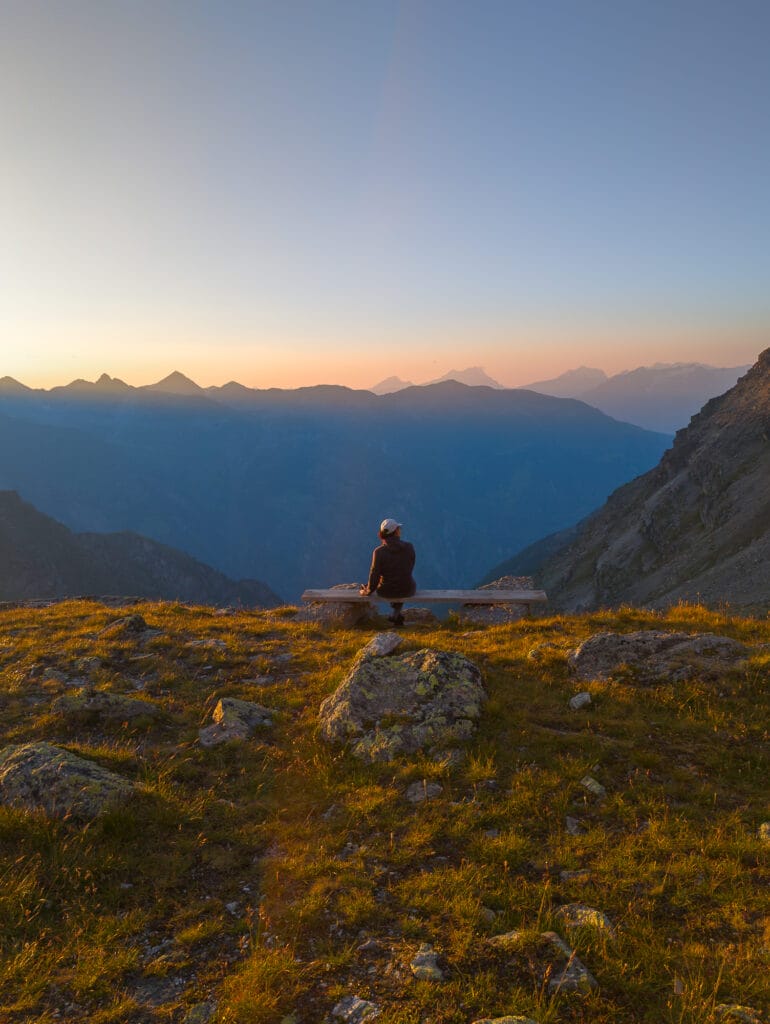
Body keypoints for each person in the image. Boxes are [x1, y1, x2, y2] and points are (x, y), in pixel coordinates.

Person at [360, 518, 416, 626]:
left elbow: (374, 575)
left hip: (386, 590)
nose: (400, 530)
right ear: (396, 532)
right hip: (408, 588)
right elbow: (409, 567)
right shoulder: (409, 547)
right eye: (399, 528)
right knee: (401, 580)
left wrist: (367, 590)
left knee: (392, 582)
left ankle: (395, 615)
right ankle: (396, 614)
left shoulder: (379, 552)